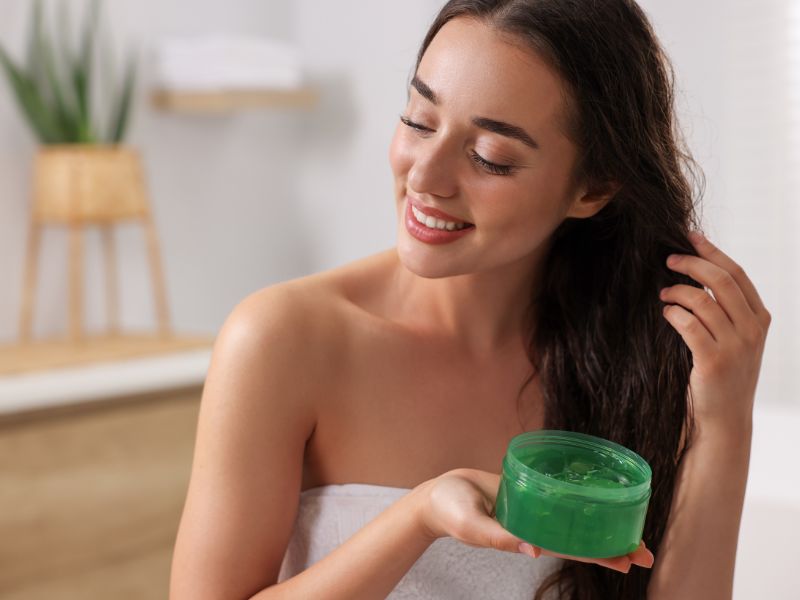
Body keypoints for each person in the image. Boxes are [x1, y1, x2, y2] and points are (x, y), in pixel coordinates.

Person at [169, 0, 770, 598]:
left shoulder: (628, 358)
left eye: (490, 158)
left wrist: (724, 422)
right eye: (418, 121)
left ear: (592, 188)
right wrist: (420, 516)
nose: (425, 177)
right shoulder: (282, 340)